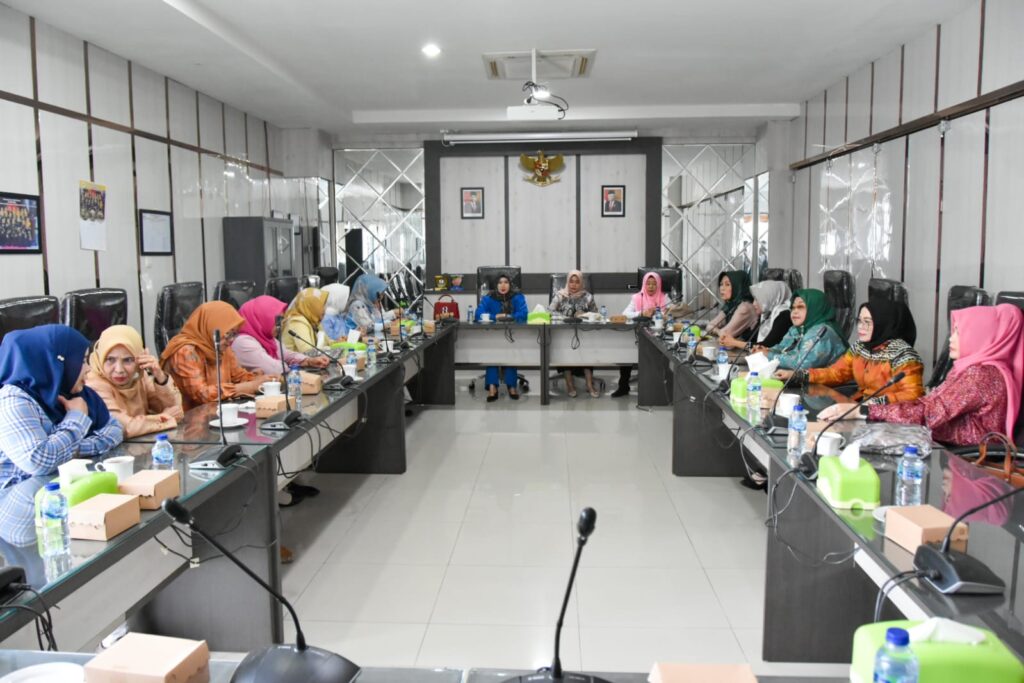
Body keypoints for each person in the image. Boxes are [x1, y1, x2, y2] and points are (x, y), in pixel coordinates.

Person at [840, 304, 1024, 447]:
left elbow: (929, 414)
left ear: (979, 336)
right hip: (946, 446)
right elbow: (930, 405)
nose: (951, 338)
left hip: (963, 460)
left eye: (959, 332)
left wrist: (864, 411)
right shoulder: (976, 369)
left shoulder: (980, 375)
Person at [0, 325, 123, 489]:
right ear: (56, 361)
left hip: (63, 490)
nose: (88, 369)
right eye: (82, 361)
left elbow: (115, 429)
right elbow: (38, 462)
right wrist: (77, 418)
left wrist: (71, 449)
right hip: (18, 495)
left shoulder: (73, 391)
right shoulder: (13, 399)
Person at [792, 300, 924, 412]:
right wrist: (799, 375)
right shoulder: (860, 347)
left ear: (883, 323)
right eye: (859, 321)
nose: (861, 327)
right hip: (860, 408)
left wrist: (878, 401)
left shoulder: (904, 355)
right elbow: (836, 373)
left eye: (867, 322)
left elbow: (913, 395)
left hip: (888, 416)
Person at [160, 301, 264, 410]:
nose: (231, 340)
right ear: (211, 327)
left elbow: (238, 377)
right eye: (228, 333)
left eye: (234, 334)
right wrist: (248, 387)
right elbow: (201, 395)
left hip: (218, 412)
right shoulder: (185, 352)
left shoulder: (222, 347)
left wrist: (261, 380)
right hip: (189, 417)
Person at [86, 325, 184, 438]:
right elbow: (122, 427)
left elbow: (175, 410)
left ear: (140, 358)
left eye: (128, 360)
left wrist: (159, 376)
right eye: (110, 360)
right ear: (100, 358)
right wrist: (163, 418)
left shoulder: (139, 376)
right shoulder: (94, 384)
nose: (119, 370)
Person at [232, 296, 329, 376]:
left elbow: (286, 354)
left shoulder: (266, 338)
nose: (281, 325)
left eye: (281, 320)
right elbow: (273, 369)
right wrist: (291, 366)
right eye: (277, 321)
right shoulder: (243, 342)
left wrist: (308, 361)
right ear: (262, 319)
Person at [753, 289, 847, 371]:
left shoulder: (822, 333)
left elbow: (802, 364)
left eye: (800, 307)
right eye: (793, 307)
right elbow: (783, 348)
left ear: (814, 308)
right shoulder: (796, 329)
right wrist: (765, 350)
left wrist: (768, 355)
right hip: (804, 381)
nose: (795, 311)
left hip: (832, 384)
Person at [613, 271, 669, 397]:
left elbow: (669, 315)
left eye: (654, 284)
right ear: (644, 284)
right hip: (637, 334)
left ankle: (656, 390)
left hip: (658, 335)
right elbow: (625, 314)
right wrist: (642, 313)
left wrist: (657, 314)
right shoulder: (637, 297)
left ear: (658, 285)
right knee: (627, 355)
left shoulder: (664, 298)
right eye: (648, 283)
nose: (651, 286)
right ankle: (623, 386)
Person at [476, 273, 528, 401]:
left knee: (510, 353)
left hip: (512, 335)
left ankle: (511, 386)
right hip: (493, 336)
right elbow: (478, 314)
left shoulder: (517, 297)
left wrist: (509, 317)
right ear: (495, 285)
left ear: (510, 284)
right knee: (492, 354)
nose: (503, 285)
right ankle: (492, 386)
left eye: (506, 282)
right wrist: (495, 317)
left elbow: (524, 314)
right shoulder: (488, 298)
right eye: (500, 282)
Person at [549, 270, 600, 397]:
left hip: (584, 335)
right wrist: (565, 316)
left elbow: (596, 315)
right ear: (567, 282)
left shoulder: (587, 297)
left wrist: (584, 315)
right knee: (565, 351)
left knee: (588, 352)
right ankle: (569, 384)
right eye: (571, 281)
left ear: (581, 283)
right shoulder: (560, 295)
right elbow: (549, 312)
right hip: (563, 334)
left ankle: (589, 384)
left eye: (577, 282)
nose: (574, 285)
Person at [721, 280, 792, 350]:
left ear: (769, 297)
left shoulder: (784, 315)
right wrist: (730, 341)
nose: (754, 303)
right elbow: (750, 337)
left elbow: (765, 346)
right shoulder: (768, 313)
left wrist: (735, 342)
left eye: (757, 299)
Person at [706, 271, 758, 341]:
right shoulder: (730, 305)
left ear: (738, 287)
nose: (722, 288)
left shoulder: (745, 307)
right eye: (721, 284)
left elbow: (726, 334)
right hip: (732, 347)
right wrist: (718, 332)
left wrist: (718, 331)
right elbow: (709, 326)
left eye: (727, 284)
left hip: (747, 348)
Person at [281, 288, 328, 355]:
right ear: (312, 306)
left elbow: (326, 340)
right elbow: (308, 352)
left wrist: (337, 342)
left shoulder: (312, 319)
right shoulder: (298, 323)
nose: (324, 309)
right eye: (321, 306)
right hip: (294, 361)